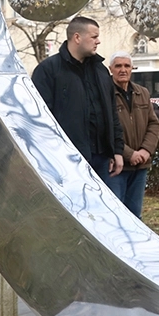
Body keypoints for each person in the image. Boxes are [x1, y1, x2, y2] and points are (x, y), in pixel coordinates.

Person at [32, 16, 126, 200]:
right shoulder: (48, 71)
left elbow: (111, 114)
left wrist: (117, 150)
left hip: (103, 159)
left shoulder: (100, 70)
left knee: (105, 214)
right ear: (77, 37)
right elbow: (40, 119)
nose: (98, 41)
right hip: (68, 161)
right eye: (94, 36)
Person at [108, 51, 159, 218]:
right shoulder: (105, 93)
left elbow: (153, 123)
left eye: (127, 66)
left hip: (140, 166)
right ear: (111, 69)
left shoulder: (142, 92)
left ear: (132, 69)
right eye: (118, 66)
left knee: (134, 216)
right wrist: (129, 153)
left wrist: (145, 151)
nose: (123, 70)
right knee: (115, 215)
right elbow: (104, 129)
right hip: (117, 166)